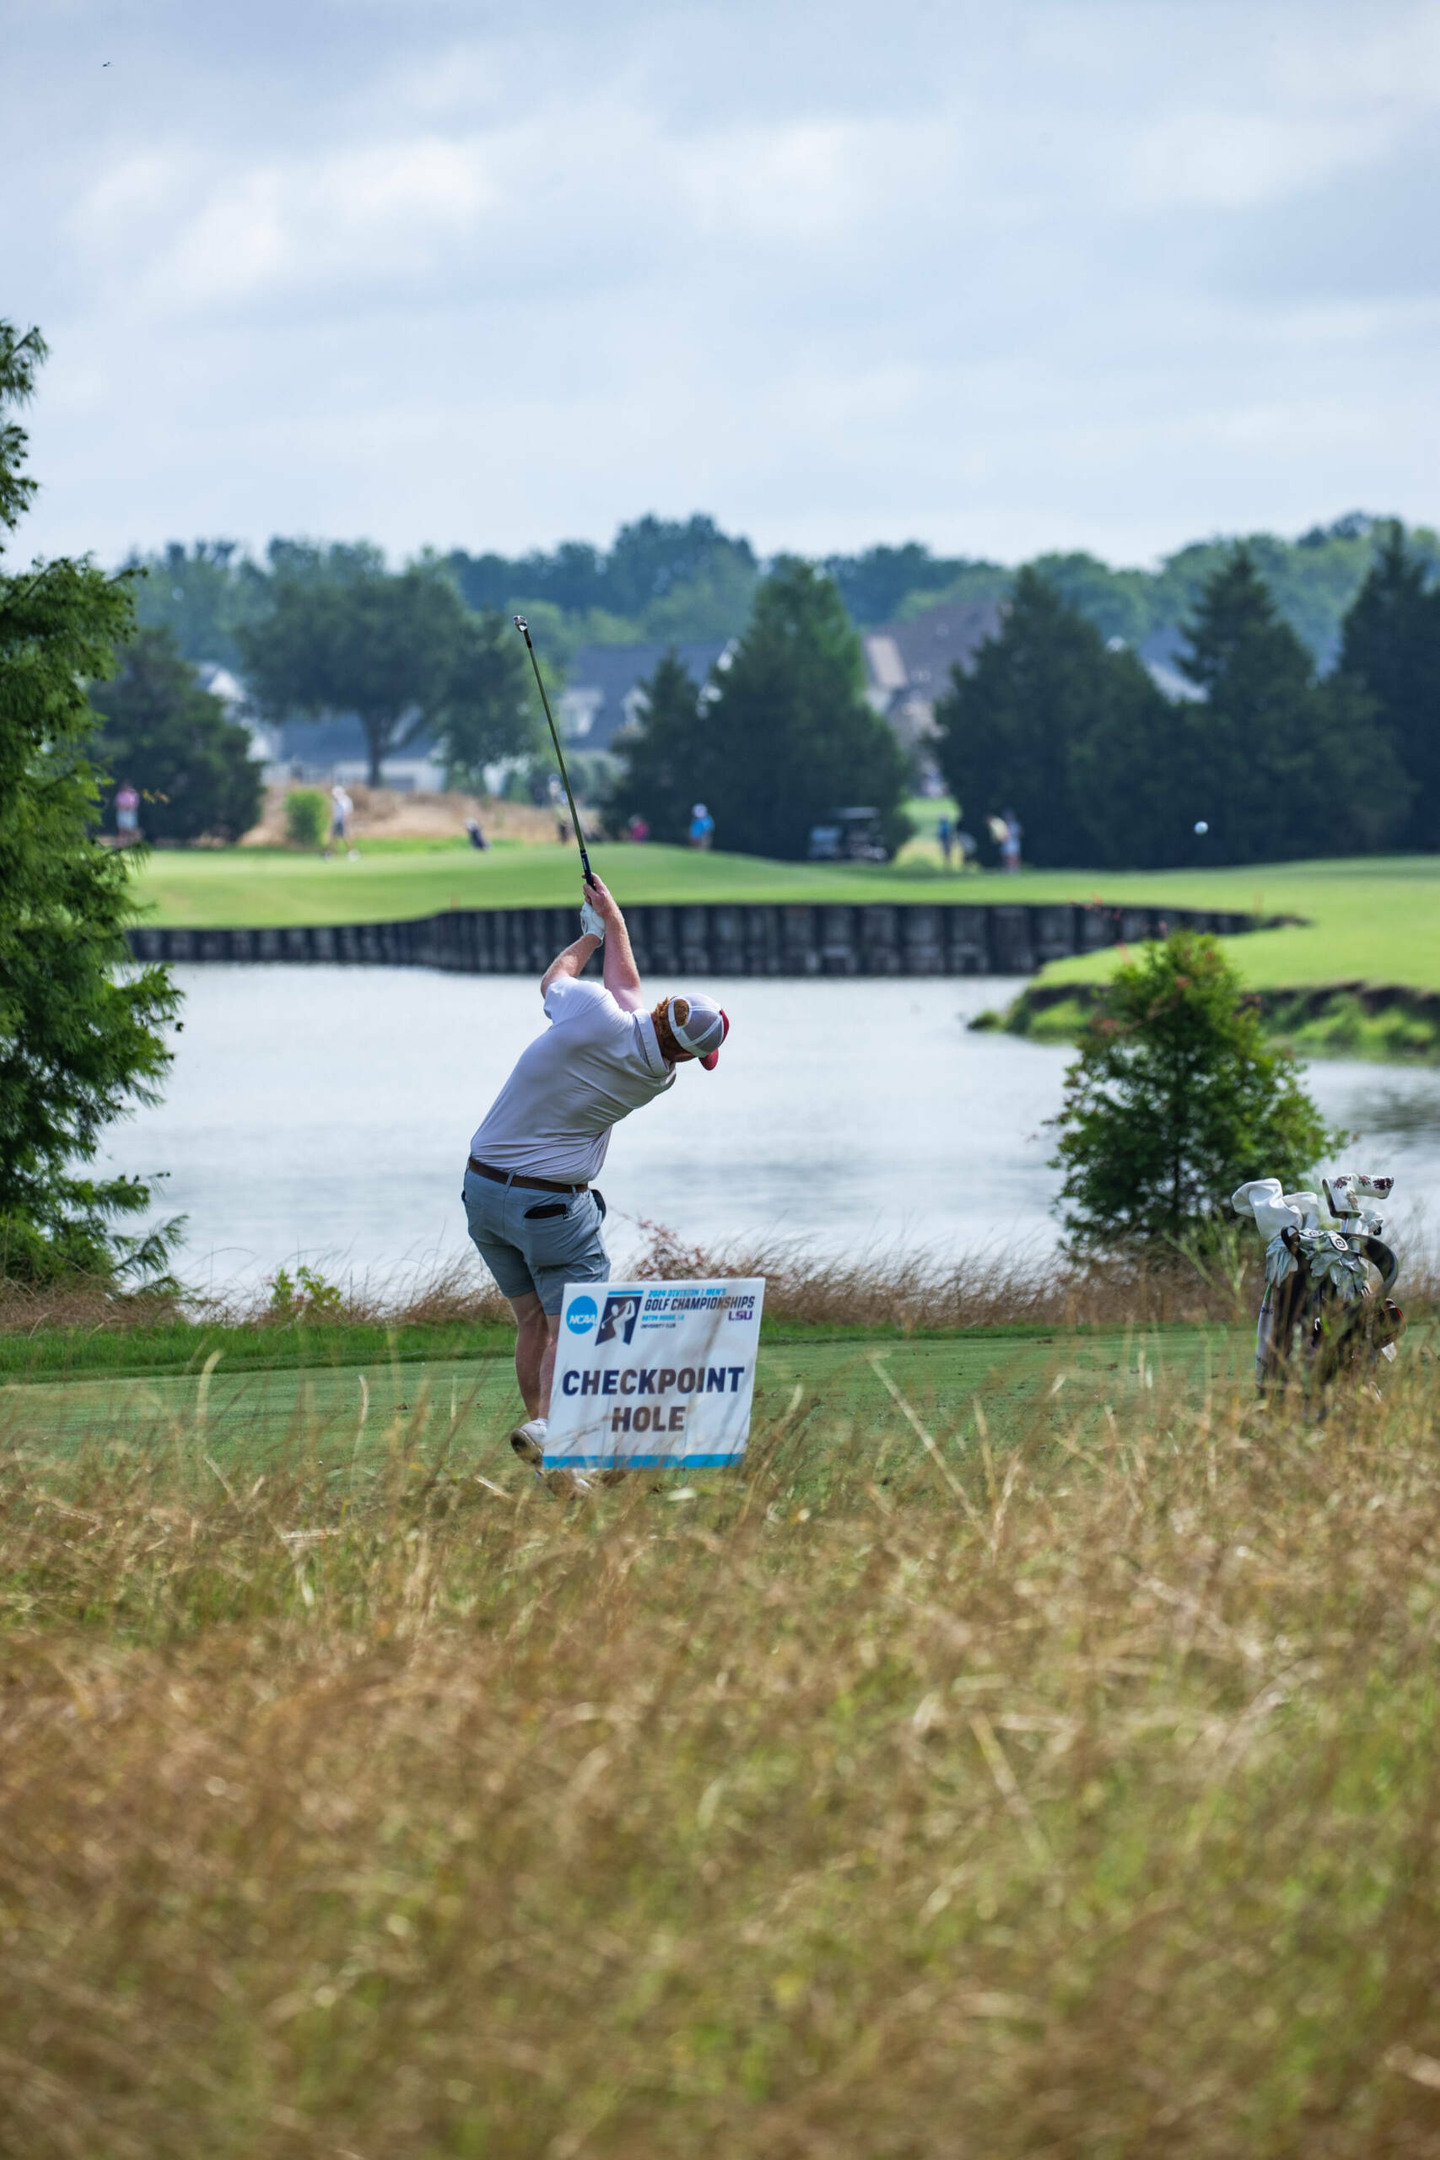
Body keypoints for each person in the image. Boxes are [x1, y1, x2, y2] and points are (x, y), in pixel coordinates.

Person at [463, 870, 730, 1476]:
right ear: (687, 1052)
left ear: (663, 1009)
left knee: (534, 1322)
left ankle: (550, 1448)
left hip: (481, 1190)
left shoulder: (592, 1012)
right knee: (578, 1326)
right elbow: (627, 991)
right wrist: (613, 923)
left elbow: (555, 981)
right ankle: (555, 1439)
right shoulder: (656, 1073)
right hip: (550, 1209)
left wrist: (589, 938)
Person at [327, 783, 353, 858]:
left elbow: (347, 812)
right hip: (336, 821)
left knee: (346, 837)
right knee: (333, 837)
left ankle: (351, 852)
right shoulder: (334, 801)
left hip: (343, 821)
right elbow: (333, 812)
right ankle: (330, 853)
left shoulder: (345, 800)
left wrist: (345, 822)